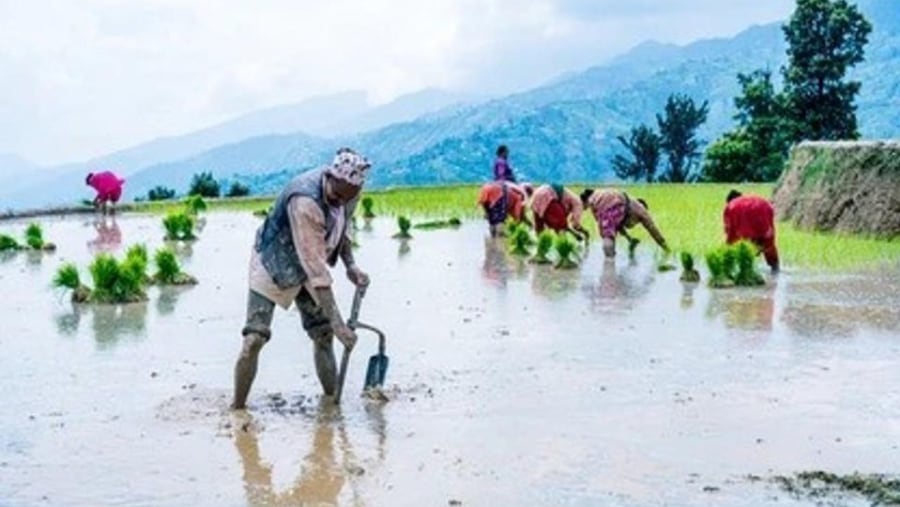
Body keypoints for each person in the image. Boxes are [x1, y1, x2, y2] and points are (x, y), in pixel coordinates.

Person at [231, 148, 371, 411]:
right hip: (275, 260)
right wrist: (341, 325)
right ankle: (237, 410)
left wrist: (350, 265)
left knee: (323, 336)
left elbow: (344, 228)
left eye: (347, 199)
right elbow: (317, 270)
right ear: (329, 176)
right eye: (337, 196)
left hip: (313, 258)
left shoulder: (349, 192)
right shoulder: (305, 200)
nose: (341, 202)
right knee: (254, 339)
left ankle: (331, 405)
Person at [580, 188, 669, 258]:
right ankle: (609, 265)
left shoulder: (626, 208)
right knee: (608, 237)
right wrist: (666, 248)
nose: (637, 223)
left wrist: (629, 239)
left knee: (608, 234)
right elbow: (653, 229)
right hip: (615, 201)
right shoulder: (641, 210)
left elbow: (614, 225)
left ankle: (609, 260)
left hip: (604, 200)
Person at [723, 189, 779, 272]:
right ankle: (775, 267)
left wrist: (727, 257)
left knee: (741, 240)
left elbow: (731, 234)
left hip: (753, 210)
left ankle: (736, 267)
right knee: (768, 241)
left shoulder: (731, 206)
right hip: (765, 206)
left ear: (729, 201)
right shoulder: (755, 200)